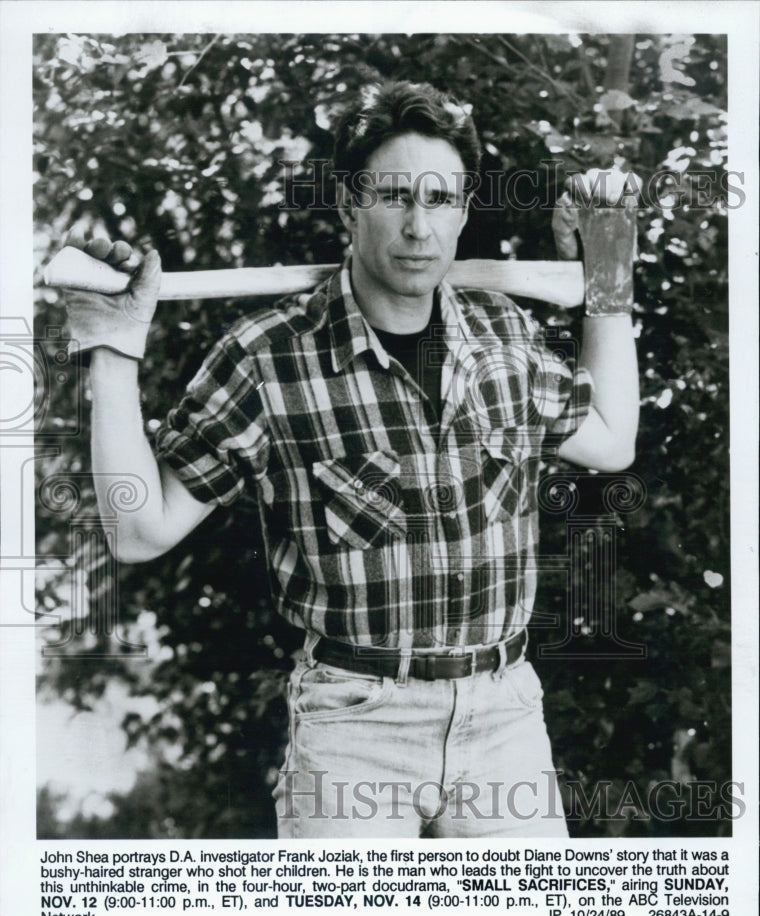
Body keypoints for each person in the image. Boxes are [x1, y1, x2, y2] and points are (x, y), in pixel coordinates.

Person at [62, 80, 639, 838]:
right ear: (347, 205)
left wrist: (609, 276)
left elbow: (611, 438)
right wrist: (111, 347)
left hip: (505, 720)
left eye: (440, 199)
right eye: (393, 196)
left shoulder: (505, 337)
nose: (418, 226)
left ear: (464, 211)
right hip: (354, 729)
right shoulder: (267, 360)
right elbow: (138, 531)